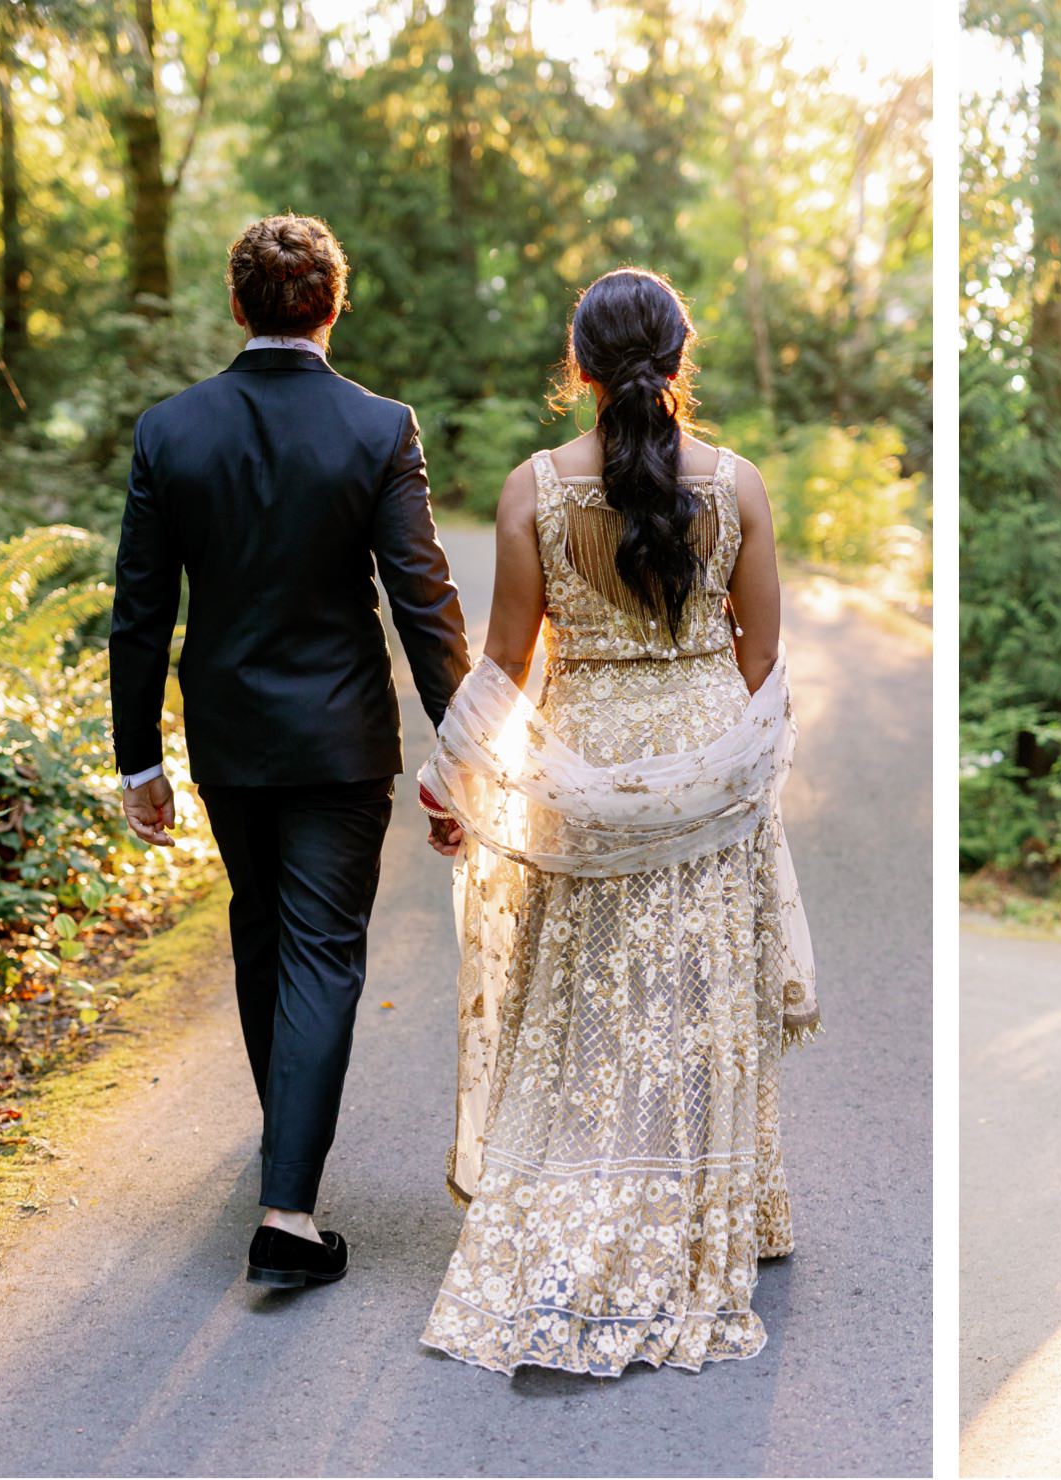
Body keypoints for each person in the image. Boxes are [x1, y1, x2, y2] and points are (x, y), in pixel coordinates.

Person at [413, 268, 819, 1377]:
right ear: (680, 357)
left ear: (579, 365)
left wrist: (454, 774)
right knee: (696, 987)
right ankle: (705, 1198)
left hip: (584, 744)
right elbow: (763, 650)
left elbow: (504, 661)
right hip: (706, 752)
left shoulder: (532, 488)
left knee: (589, 988)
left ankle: (576, 1183)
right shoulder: (735, 484)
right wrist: (711, 742)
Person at [110, 213, 470, 1289]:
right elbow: (424, 601)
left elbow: (138, 612)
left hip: (226, 735)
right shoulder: (377, 427)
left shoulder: (170, 430)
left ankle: (286, 1154)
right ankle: (288, 1210)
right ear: (332, 303)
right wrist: (466, 742)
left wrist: (139, 759)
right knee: (318, 951)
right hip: (340, 737)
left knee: (264, 934)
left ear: (237, 306)